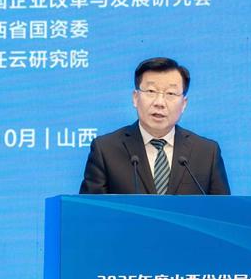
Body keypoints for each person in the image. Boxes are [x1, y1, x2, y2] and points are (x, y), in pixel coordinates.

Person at [79, 57, 230, 195]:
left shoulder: (207, 153)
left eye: (170, 93)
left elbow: (224, 212)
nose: (159, 103)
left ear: (184, 104)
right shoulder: (106, 150)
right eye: (151, 91)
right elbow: (89, 211)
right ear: (135, 98)